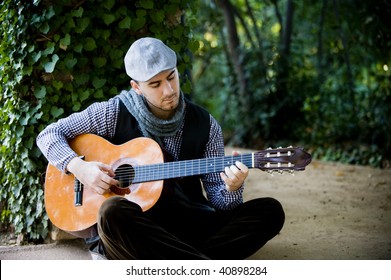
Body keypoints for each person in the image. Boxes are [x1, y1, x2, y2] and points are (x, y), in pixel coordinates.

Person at [36, 37, 285, 260]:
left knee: (270, 211)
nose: (168, 90)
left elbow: (220, 202)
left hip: (189, 223)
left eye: (171, 77)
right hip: (140, 224)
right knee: (112, 212)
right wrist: (80, 167)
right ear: (136, 87)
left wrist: (232, 187)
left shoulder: (206, 125)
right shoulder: (112, 113)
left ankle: (168, 262)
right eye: (155, 84)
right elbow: (49, 135)